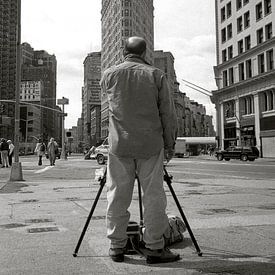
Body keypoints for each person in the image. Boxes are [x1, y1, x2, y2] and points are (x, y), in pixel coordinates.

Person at [100, 36, 179, 264]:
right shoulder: (156, 75)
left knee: (116, 195)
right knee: (154, 197)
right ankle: (154, 248)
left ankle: (116, 247)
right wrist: (169, 144)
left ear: (122, 50)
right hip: (150, 144)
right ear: (145, 53)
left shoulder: (110, 74)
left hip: (119, 145)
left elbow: (111, 103)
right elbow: (168, 113)